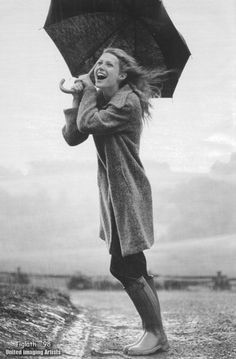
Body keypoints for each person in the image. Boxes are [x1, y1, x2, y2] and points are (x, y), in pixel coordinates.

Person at [61, 47, 169, 356]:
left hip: (129, 193)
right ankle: (155, 333)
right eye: (97, 63)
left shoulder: (127, 102)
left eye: (108, 64)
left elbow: (88, 125)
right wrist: (77, 96)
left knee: (123, 266)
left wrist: (87, 93)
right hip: (115, 195)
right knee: (136, 264)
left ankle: (155, 333)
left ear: (122, 75)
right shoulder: (106, 101)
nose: (99, 66)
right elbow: (72, 136)